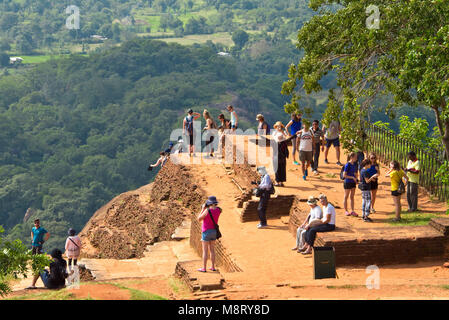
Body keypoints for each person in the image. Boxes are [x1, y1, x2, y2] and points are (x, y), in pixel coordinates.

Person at [197, 196, 222, 272]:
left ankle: (204, 268)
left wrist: (202, 209)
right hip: (214, 231)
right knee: (212, 250)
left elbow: (199, 219)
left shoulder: (207, 210)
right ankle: (213, 267)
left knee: (205, 250)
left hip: (206, 231)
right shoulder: (218, 210)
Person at [272, 121, 290, 186]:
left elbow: (287, 138)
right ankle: (277, 181)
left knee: (282, 166)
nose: (278, 127)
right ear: (276, 127)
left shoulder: (284, 132)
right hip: (276, 149)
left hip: (282, 150)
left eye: (279, 126)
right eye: (277, 126)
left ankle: (281, 181)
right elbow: (274, 139)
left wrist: (283, 133)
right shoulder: (274, 133)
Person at [343, 152, 359, 217]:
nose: (356, 158)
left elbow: (355, 173)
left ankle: (352, 210)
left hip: (353, 182)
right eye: (355, 157)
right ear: (351, 157)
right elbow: (344, 175)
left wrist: (356, 179)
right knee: (346, 196)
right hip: (347, 182)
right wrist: (352, 177)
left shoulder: (355, 164)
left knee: (352, 197)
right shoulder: (347, 165)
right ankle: (346, 211)